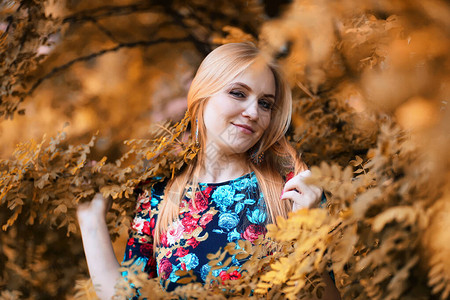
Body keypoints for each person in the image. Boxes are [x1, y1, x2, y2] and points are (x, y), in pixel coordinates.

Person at [77, 42, 340, 299]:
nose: (253, 112)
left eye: (265, 104)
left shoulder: (293, 191)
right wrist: (91, 223)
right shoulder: (159, 194)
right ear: (202, 96)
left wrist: (303, 232)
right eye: (238, 93)